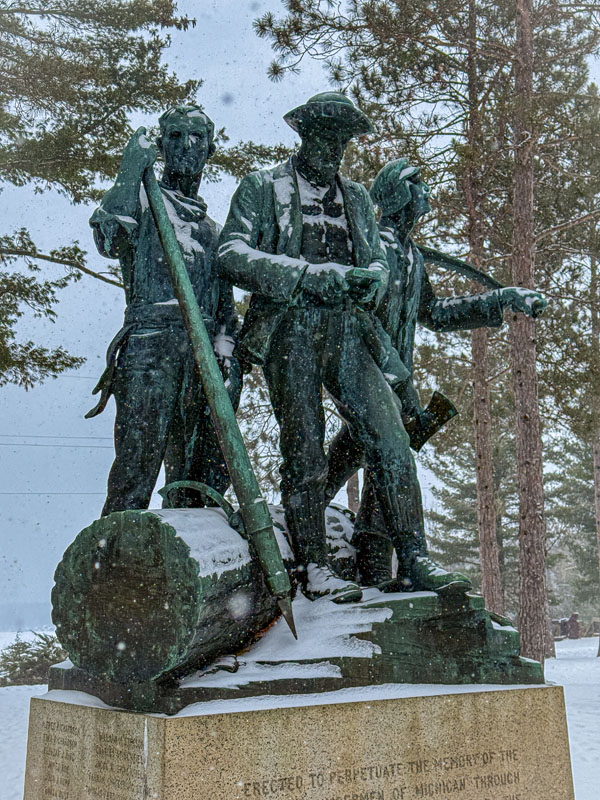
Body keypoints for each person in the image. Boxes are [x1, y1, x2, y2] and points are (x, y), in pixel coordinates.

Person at [218, 92, 427, 604]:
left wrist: (370, 279)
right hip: (291, 329)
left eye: (343, 141)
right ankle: (314, 563)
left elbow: (378, 259)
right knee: (305, 446)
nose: (334, 150)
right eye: (326, 137)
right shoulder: (263, 187)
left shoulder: (355, 196)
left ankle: (415, 555)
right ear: (305, 135)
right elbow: (232, 252)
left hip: (349, 331)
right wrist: (308, 275)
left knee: (391, 436)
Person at [326, 158, 548, 591]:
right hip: (362, 369)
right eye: (420, 185)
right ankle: (407, 559)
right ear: (401, 194)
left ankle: (370, 562)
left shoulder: (410, 256)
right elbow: (357, 317)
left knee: (360, 454)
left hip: (389, 377)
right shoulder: (376, 249)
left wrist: (500, 299)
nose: (428, 193)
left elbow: (434, 314)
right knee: (392, 453)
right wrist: (395, 375)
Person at [87, 105, 240, 515]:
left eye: (196, 138)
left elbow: (225, 308)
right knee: (135, 467)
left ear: (210, 149)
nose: (186, 146)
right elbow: (110, 237)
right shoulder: (143, 201)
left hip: (203, 356)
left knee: (200, 477)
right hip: (150, 346)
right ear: (162, 145)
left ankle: (188, 553)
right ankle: (113, 560)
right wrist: (130, 169)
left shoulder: (212, 231)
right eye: (174, 136)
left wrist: (225, 352)